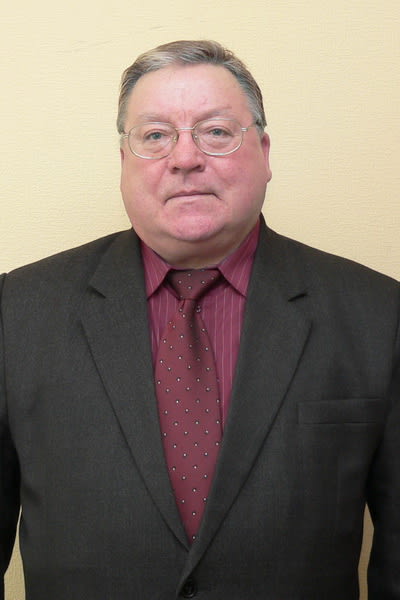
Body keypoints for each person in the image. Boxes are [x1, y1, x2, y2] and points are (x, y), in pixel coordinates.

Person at [0, 40, 399, 600]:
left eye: (215, 132)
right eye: (155, 136)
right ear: (123, 162)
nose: (184, 158)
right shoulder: (17, 312)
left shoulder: (378, 314)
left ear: (264, 152)